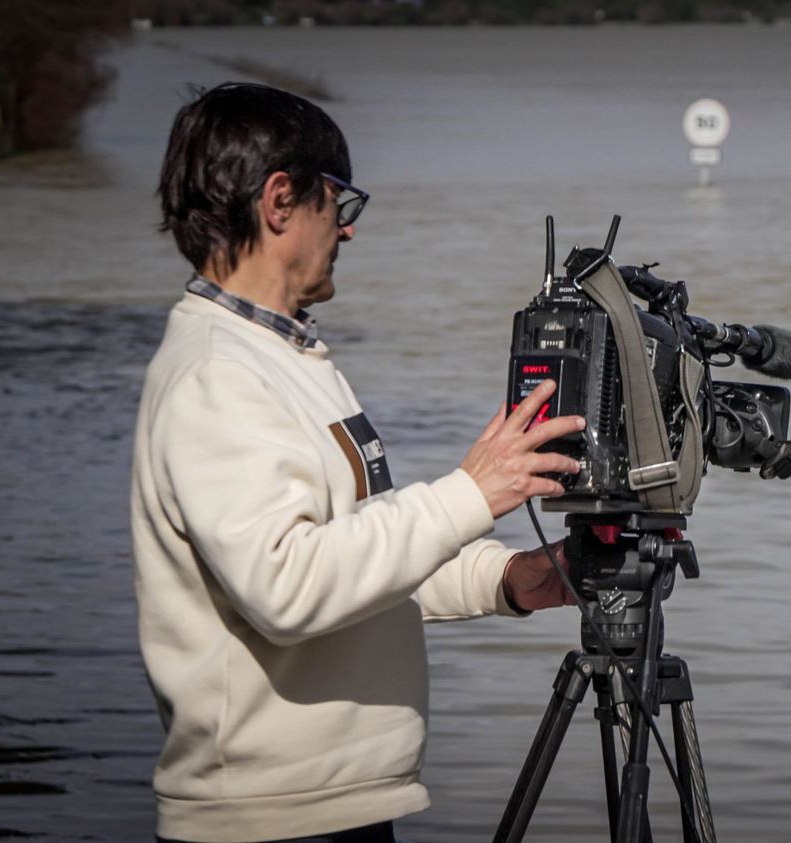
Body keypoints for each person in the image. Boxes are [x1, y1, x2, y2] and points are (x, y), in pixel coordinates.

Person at [131, 82, 585, 843]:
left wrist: (512, 578)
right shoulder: (217, 373)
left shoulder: (288, 354)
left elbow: (361, 551)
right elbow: (289, 586)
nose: (348, 232)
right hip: (266, 822)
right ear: (280, 201)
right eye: (339, 206)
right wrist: (471, 491)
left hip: (331, 807)